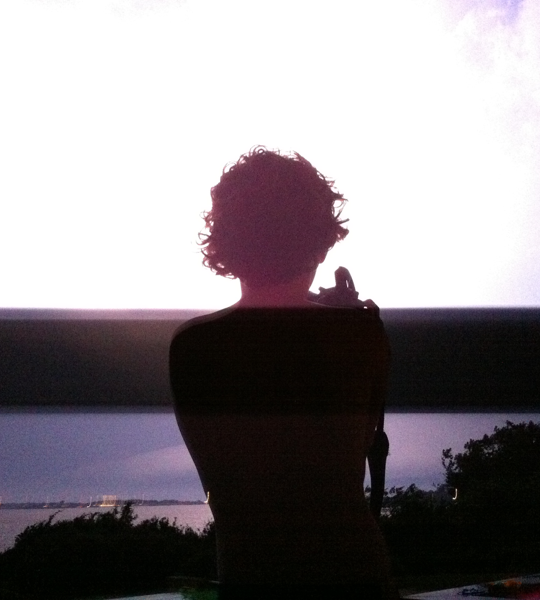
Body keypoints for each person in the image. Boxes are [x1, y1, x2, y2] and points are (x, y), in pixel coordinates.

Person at [169, 147, 397, 599]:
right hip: (356, 574)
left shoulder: (193, 346)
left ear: (227, 241)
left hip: (251, 574)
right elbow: (358, 445)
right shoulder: (360, 334)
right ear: (320, 241)